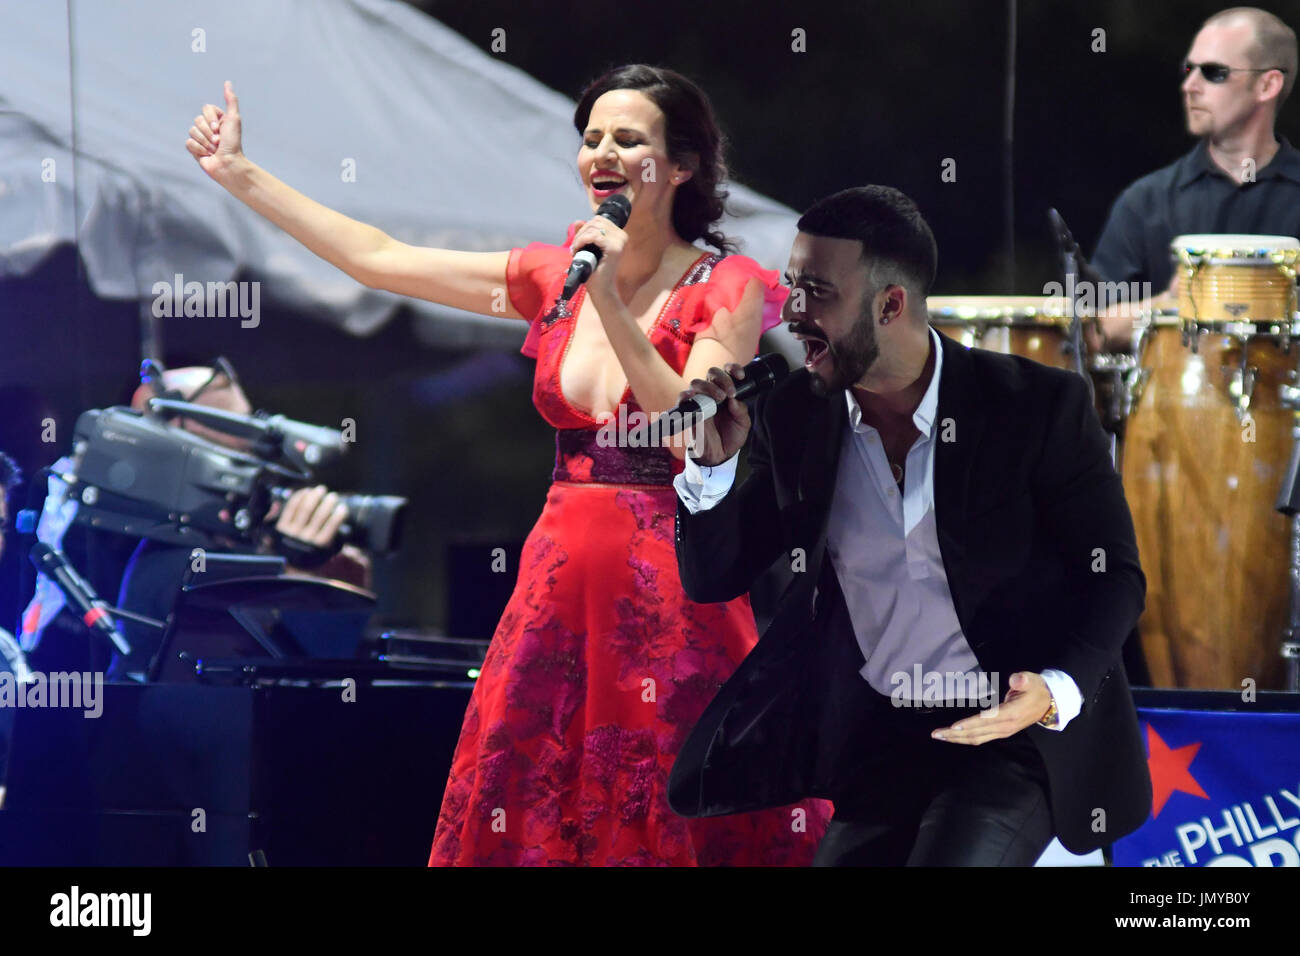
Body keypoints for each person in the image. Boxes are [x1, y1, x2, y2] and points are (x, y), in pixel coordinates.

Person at [187, 63, 831, 865]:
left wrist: (608, 301)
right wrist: (240, 176)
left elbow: (684, 428)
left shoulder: (722, 286)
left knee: (662, 796)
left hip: (672, 580)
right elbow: (378, 258)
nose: (601, 153)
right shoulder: (552, 273)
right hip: (558, 581)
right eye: (591, 137)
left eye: (628, 139)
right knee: (535, 801)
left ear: (681, 166)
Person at [669, 186, 1152, 865]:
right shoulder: (796, 415)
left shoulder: (1034, 406)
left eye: (816, 292)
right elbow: (715, 577)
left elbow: (1115, 577)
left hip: (1010, 735)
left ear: (890, 304)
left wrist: (1054, 690)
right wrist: (711, 472)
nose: (793, 311)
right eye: (792, 287)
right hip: (882, 739)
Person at [107, 365, 372, 681]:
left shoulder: (231, 546)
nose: (254, 455)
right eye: (238, 442)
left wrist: (337, 594)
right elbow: (257, 683)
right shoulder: (174, 562)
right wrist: (296, 581)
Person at [1094, 6, 1300, 346]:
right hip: (1175, 382)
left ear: (1268, 85)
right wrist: (1169, 302)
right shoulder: (1146, 202)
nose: (1190, 86)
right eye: (1189, 70)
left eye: (1214, 72)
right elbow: (1091, 332)